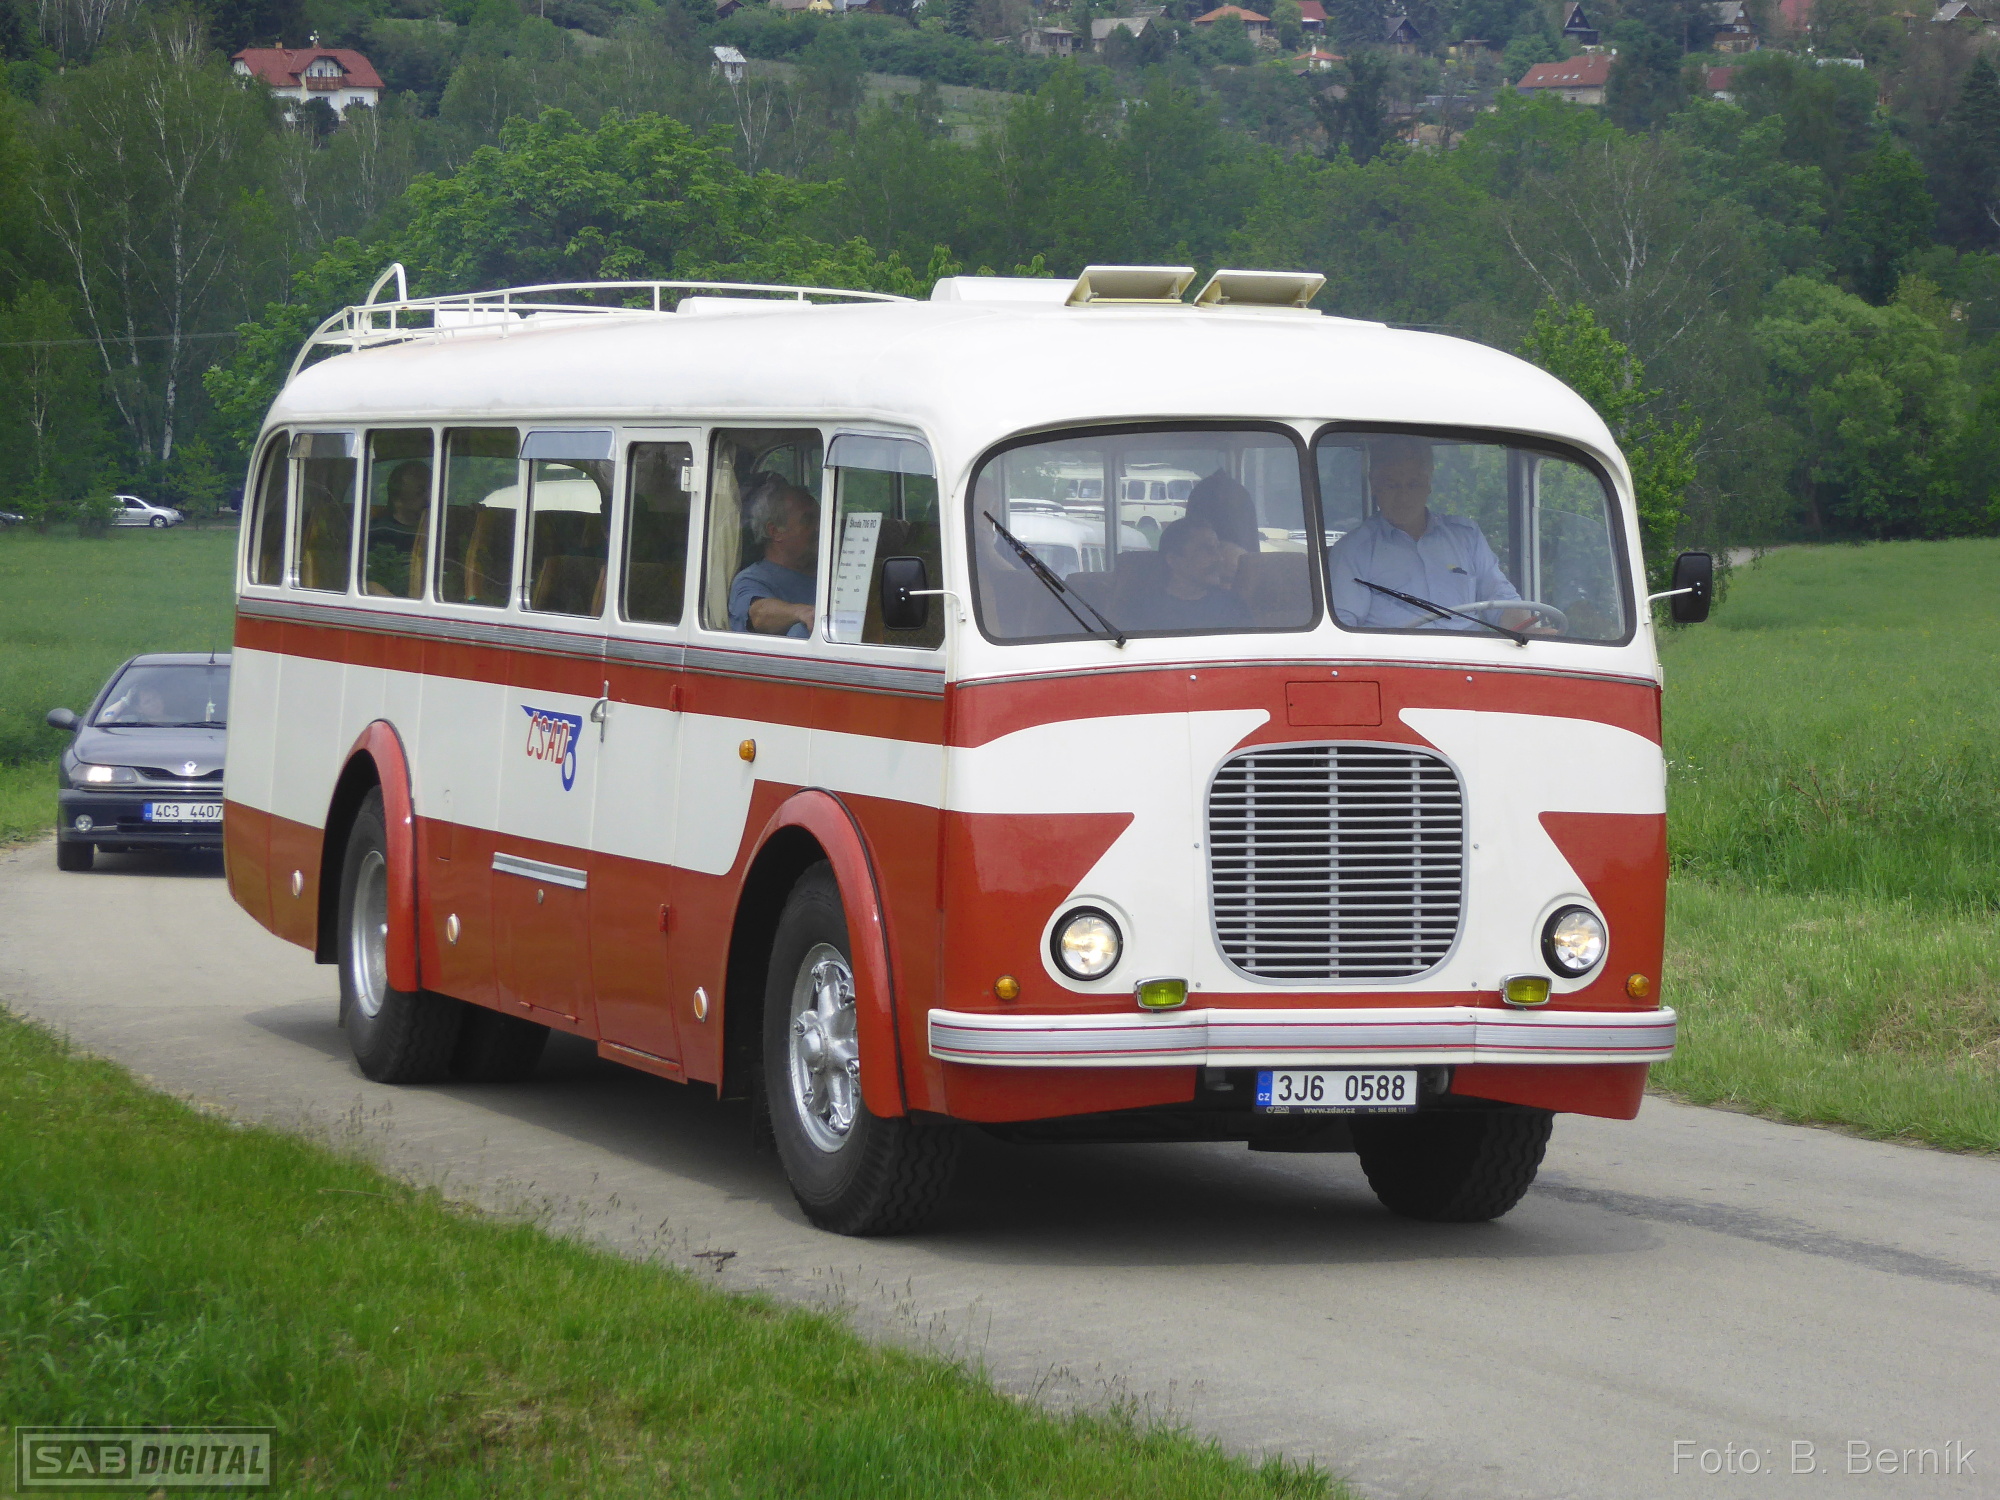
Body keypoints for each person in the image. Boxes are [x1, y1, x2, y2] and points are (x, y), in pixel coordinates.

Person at [1326, 437, 1530, 630]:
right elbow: (1343, 628)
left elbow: (1501, 599)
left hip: (1467, 652)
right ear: (1374, 485)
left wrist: (1528, 632)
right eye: (1392, 485)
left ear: (1428, 482)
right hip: (1394, 655)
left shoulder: (1466, 537)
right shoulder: (1353, 550)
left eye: (1413, 484)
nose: (1403, 497)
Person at [729, 474, 819, 637]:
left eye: (820, 520)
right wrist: (801, 613)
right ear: (775, 531)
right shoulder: (752, 580)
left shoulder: (828, 574)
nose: (818, 528)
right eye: (808, 520)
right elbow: (759, 615)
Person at [1129, 518, 1254, 631]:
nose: (1219, 558)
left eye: (1217, 548)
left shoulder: (1233, 606)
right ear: (1173, 560)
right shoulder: (1142, 611)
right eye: (1206, 550)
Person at [364, 460, 431, 598]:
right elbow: (366, 582)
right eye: (420, 492)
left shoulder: (438, 532)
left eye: (431, 491)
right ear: (397, 499)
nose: (428, 498)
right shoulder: (378, 533)